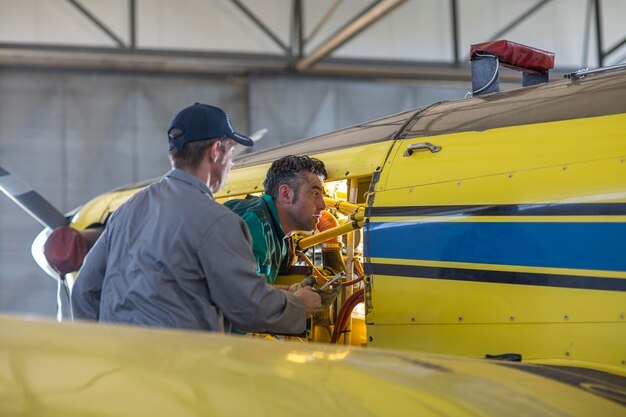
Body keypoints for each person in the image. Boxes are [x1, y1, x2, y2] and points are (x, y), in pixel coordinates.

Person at [71, 103, 321, 334]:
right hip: (178, 371)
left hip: (123, 367)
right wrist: (298, 304)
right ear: (215, 151)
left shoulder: (128, 209)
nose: (231, 164)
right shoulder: (218, 222)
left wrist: (102, 347)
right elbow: (248, 307)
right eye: (231, 152)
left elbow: (84, 290)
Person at [224, 155, 328, 285]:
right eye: (314, 194)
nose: (323, 205)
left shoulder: (280, 239)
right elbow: (237, 295)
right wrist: (295, 299)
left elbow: (255, 290)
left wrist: (291, 293)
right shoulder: (253, 223)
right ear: (286, 194)